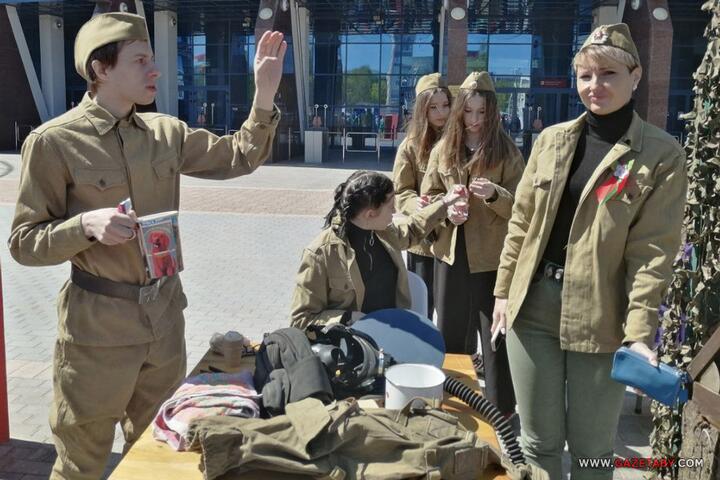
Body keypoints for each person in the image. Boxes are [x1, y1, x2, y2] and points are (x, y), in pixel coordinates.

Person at [7, 12, 286, 480]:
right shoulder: (54, 143)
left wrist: (264, 93)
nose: (155, 70)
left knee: (158, 452)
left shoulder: (165, 134)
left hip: (163, 322)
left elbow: (240, 155)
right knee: (82, 461)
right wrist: (84, 226)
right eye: (141, 60)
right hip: (97, 333)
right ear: (101, 69)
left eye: (153, 59)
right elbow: (23, 243)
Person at [491, 24, 687, 479]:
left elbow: (653, 252)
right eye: (585, 75)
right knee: (536, 443)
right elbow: (521, 223)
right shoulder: (552, 140)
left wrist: (640, 332)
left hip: (601, 316)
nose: (594, 86)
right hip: (532, 307)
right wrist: (503, 291)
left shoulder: (660, 155)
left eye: (607, 74)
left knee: (592, 449)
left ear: (635, 77)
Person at [420, 71, 524, 417]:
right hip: (450, 255)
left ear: (492, 112)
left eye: (482, 113)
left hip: (492, 260)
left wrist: (495, 194)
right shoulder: (443, 149)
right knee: (448, 332)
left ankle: (501, 412)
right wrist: (448, 208)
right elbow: (428, 196)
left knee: (495, 338)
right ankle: (451, 404)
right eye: (468, 112)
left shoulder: (507, 150)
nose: (475, 121)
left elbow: (523, 208)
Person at [289, 170, 462, 329]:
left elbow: (413, 228)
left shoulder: (383, 232)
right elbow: (301, 319)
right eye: (390, 206)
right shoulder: (320, 254)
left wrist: (445, 203)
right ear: (370, 214)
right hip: (351, 344)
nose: (395, 211)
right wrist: (347, 317)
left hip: (393, 332)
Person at [392, 72, 451, 318]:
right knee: (420, 310)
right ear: (422, 110)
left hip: (452, 241)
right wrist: (418, 203)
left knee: (451, 311)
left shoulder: (459, 141)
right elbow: (400, 191)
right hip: (421, 241)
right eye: (433, 107)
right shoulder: (410, 146)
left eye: (446, 105)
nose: (441, 113)